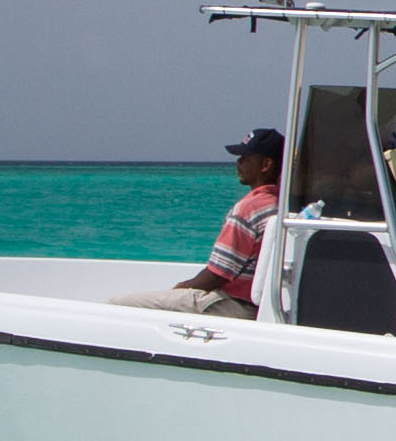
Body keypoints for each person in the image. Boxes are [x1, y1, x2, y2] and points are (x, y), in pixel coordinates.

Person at [116, 129, 283, 317]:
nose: (238, 163)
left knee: (116, 306)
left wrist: (181, 288)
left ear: (266, 164)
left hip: (230, 305)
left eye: (245, 158)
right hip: (255, 306)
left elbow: (216, 276)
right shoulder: (281, 206)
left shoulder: (248, 209)